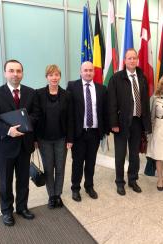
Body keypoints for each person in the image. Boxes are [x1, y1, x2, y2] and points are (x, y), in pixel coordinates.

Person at [0, 60, 38, 226]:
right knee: (5, 182)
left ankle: (22, 207)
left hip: (24, 145)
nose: (15, 74)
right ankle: (7, 211)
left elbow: (37, 114)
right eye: (11, 71)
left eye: (18, 71)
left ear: (22, 73)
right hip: (4, 147)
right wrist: (8, 130)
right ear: (5, 73)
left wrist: (27, 125)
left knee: (23, 179)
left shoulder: (31, 92)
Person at [108, 48, 151, 196]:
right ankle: (120, 182)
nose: (132, 61)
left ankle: (133, 180)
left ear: (137, 60)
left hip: (137, 122)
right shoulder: (116, 78)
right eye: (129, 58)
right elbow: (111, 102)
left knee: (134, 154)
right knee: (120, 154)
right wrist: (113, 123)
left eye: (134, 58)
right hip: (121, 123)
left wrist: (147, 125)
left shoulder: (142, 77)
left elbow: (145, 102)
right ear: (125, 61)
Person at [66, 61, 108, 202]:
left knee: (91, 162)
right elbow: (69, 113)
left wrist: (105, 131)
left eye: (90, 70)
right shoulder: (72, 86)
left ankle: (89, 186)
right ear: (80, 71)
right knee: (77, 162)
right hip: (79, 133)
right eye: (85, 70)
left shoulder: (102, 89)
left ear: (94, 72)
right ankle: (75, 188)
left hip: (94, 132)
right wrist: (69, 136)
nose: (88, 72)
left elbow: (104, 112)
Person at [35, 64, 73, 209]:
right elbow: (36, 118)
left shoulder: (66, 95)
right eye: (51, 75)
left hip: (61, 139)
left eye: (57, 75)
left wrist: (70, 139)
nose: (54, 78)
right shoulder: (38, 94)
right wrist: (34, 139)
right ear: (47, 77)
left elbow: (70, 119)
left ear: (60, 77)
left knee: (60, 168)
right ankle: (51, 196)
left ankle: (58, 195)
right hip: (44, 139)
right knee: (49, 168)